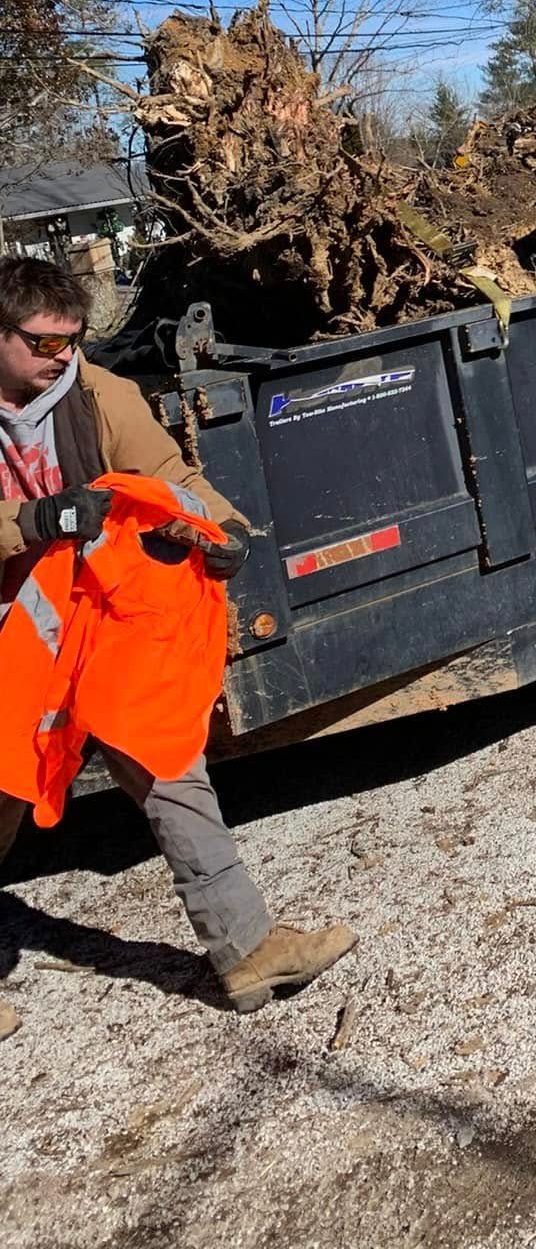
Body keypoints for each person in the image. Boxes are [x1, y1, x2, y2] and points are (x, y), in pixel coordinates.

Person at [0, 256, 354, 1036]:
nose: (61, 357)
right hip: (8, 636)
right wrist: (29, 524)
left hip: (92, 624)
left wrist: (222, 527)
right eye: (42, 344)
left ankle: (248, 951)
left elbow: (167, 471)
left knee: (166, 766)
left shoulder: (96, 395)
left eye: (72, 340)